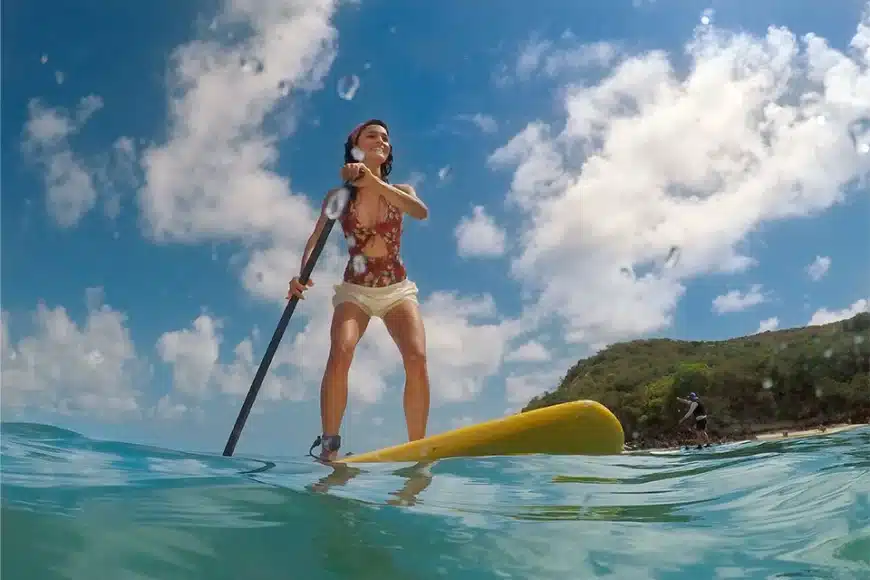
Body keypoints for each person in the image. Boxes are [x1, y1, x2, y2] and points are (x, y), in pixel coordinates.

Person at [287, 119, 431, 462]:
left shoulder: (403, 191)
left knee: (417, 357)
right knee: (341, 350)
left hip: (396, 289)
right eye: (372, 136)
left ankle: (416, 450)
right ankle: (330, 447)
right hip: (355, 289)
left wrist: (371, 181)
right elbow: (315, 238)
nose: (381, 140)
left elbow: (420, 213)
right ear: (356, 145)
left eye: (385, 138)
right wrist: (300, 275)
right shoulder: (339, 197)